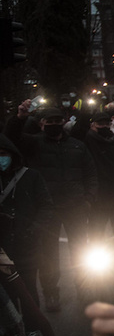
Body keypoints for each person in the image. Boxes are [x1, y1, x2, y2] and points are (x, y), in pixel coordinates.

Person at [5, 103, 97, 311]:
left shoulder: (77, 145)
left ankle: (84, 289)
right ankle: (51, 293)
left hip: (75, 207)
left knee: (81, 250)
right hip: (47, 208)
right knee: (48, 253)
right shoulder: (33, 143)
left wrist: (88, 199)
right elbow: (10, 139)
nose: (54, 124)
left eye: (58, 121)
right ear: (42, 124)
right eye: (50, 121)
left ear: (63, 122)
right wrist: (19, 118)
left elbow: (90, 173)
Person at [0, 135, 53, 336]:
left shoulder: (31, 176)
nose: (1, 159)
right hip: (2, 247)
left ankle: (32, 329)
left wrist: (34, 229)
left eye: (3, 154)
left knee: (28, 289)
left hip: (26, 244)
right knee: (6, 293)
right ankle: (13, 331)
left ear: (12, 155)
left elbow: (46, 205)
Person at [84, 111, 114, 237]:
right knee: (96, 235)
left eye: (106, 124)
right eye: (100, 124)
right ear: (92, 125)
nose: (104, 127)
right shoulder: (88, 142)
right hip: (98, 199)